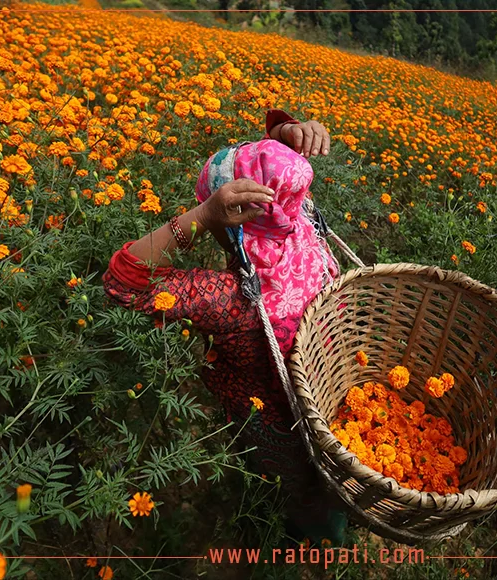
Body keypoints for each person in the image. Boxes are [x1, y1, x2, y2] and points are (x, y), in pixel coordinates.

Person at [102, 110, 348, 544]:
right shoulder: (308, 234)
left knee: (293, 494)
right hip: (339, 406)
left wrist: (200, 217)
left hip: (279, 429)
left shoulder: (229, 299)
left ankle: (293, 541)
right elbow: (276, 175)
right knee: (329, 486)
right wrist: (283, 135)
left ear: (232, 222)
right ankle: (322, 537)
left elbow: (123, 281)